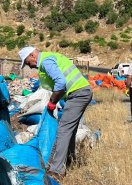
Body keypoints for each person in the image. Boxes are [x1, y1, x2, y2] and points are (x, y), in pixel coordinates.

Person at [18, 46, 93, 177]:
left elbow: (61, 82)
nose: (29, 66)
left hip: (78, 94)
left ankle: (57, 170)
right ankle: (70, 161)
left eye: (27, 63)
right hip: (80, 92)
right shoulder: (48, 58)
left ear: (32, 56)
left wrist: (52, 102)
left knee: (63, 130)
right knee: (70, 129)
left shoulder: (46, 62)